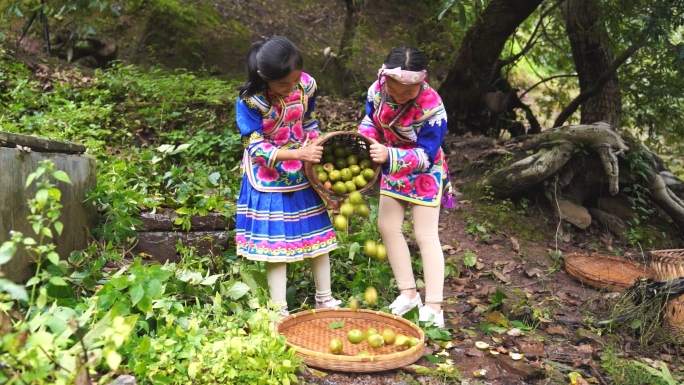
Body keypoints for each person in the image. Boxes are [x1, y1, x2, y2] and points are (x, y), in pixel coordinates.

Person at [235, 36, 341, 317]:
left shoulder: (306, 85)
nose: (291, 88)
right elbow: (254, 146)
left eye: (294, 81)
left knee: (318, 237)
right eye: (283, 84)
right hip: (267, 175)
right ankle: (278, 309)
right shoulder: (250, 101)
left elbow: (308, 121)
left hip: (303, 170)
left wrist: (318, 147)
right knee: (276, 245)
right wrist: (299, 155)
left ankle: (325, 298)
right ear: (263, 77)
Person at [358, 46, 454, 328]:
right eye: (394, 89)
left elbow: (427, 153)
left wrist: (390, 155)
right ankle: (408, 294)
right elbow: (370, 121)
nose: (399, 97)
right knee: (387, 227)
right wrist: (366, 142)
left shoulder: (433, 108)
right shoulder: (376, 91)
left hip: (424, 169)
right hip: (393, 167)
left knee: (425, 234)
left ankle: (434, 306)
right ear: (384, 77)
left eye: (407, 93)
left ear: (421, 83)